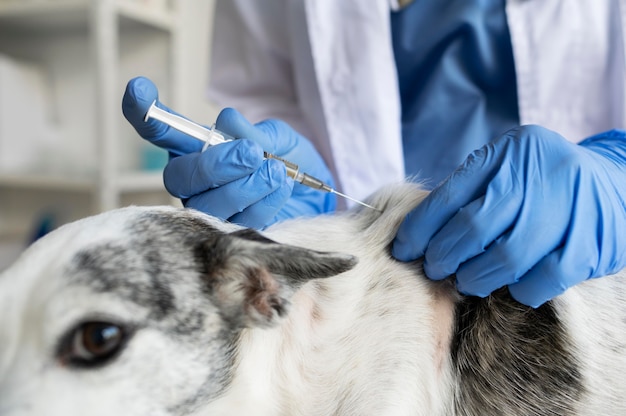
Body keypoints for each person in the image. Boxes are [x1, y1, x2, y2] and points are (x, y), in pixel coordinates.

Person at [122, 0, 626, 308]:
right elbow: (268, 95)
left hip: (582, 298)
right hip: (356, 276)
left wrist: (615, 180)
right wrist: (293, 210)